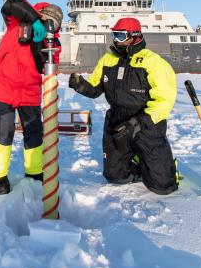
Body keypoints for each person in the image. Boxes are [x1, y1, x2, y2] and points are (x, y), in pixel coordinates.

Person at [68, 17, 178, 195]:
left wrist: (139, 123)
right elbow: (95, 88)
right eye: (114, 35)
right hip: (117, 119)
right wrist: (81, 85)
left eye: (120, 35)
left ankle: (161, 166)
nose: (115, 40)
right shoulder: (108, 59)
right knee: (116, 177)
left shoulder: (153, 62)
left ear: (134, 36)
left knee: (162, 186)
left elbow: (164, 100)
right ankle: (133, 163)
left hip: (145, 121)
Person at [0, 0, 63, 195]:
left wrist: (40, 45)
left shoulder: (53, 43)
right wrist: (35, 21)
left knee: (34, 133)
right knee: (4, 132)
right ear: (39, 16)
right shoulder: (16, 22)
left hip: (30, 91)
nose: (48, 27)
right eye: (46, 21)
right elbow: (12, 2)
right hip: (4, 87)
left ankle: (35, 170)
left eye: (52, 24)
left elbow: (46, 67)